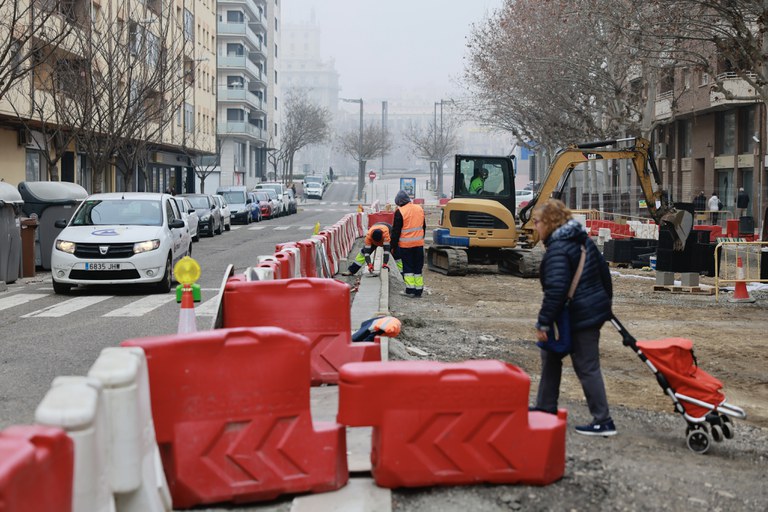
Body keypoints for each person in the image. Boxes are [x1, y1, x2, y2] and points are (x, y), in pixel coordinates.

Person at [531, 199, 616, 436]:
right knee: (551, 354)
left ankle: (603, 420)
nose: (535, 227)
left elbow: (556, 290)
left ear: (549, 222)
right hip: (587, 312)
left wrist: (544, 321)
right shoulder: (582, 241)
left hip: (578, 316)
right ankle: (545, 407)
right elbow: (604, 275)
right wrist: (603, 305)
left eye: (537, 222)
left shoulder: (558, 248)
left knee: (586, 366)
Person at [391, 190, 426, 298]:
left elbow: (396, 231)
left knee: (408, 268)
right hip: (419, 244)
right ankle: (419, 290)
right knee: (418, 268)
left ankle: (410, 290)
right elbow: (423, 226)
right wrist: (420, 239)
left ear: (399, 202)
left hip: (406, 246)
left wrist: (392, 246)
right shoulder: (419, 208)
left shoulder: (400, 211)